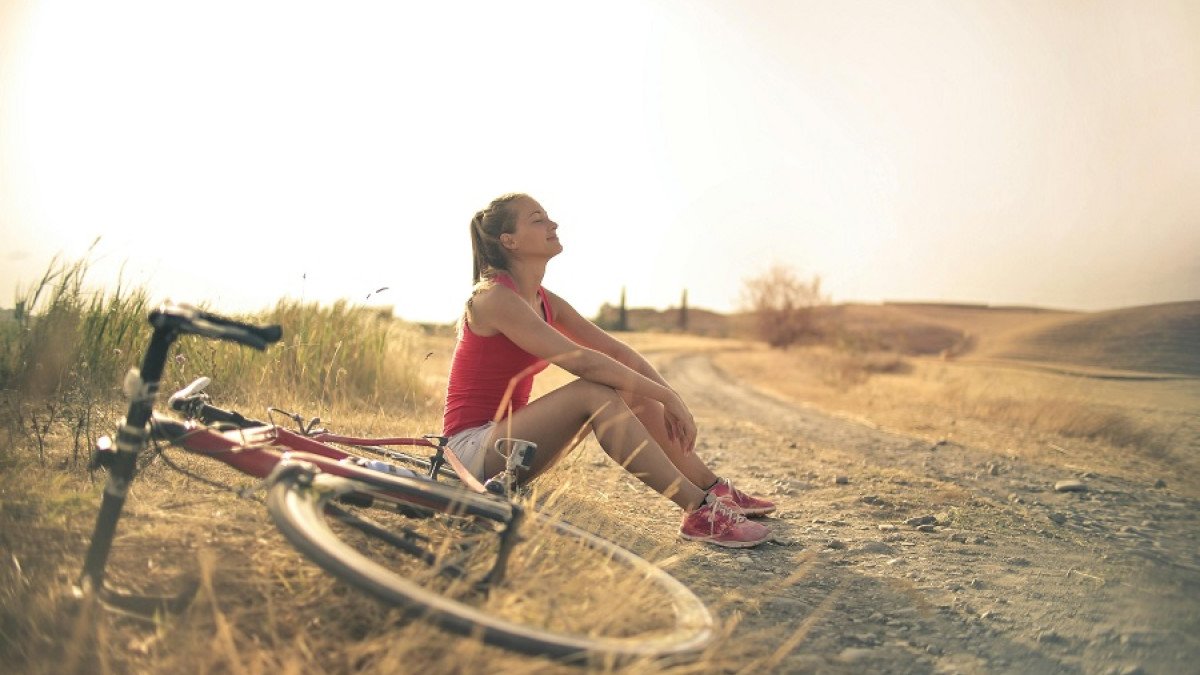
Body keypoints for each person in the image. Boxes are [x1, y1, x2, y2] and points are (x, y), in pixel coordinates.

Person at [442, 193, 776, 548]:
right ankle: (698, 511)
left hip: (513, 450)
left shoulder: (543, 300)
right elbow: (582, 360)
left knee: (632, 387)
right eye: (538, 219)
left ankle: (713, 489)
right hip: (469, 453)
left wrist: (669, 396)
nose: (552, 224)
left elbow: (615, 351)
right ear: (509, 241)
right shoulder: (493, 297)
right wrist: (665, 396)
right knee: (594, 390)